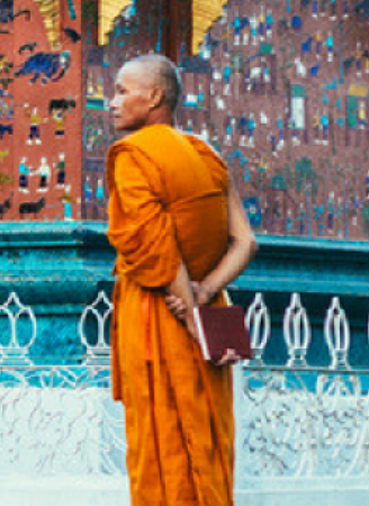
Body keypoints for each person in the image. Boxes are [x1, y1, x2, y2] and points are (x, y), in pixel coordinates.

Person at [106, 54, 257, 506]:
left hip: (159, 312)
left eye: (121, 91)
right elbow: (247, 241)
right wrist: (206, 293)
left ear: (153, 97)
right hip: (211, 314)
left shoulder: (132, 156)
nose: (111, 102)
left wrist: (188, 310)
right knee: (208, 439)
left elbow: (158, 248)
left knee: (162, 440)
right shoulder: (205, 153)